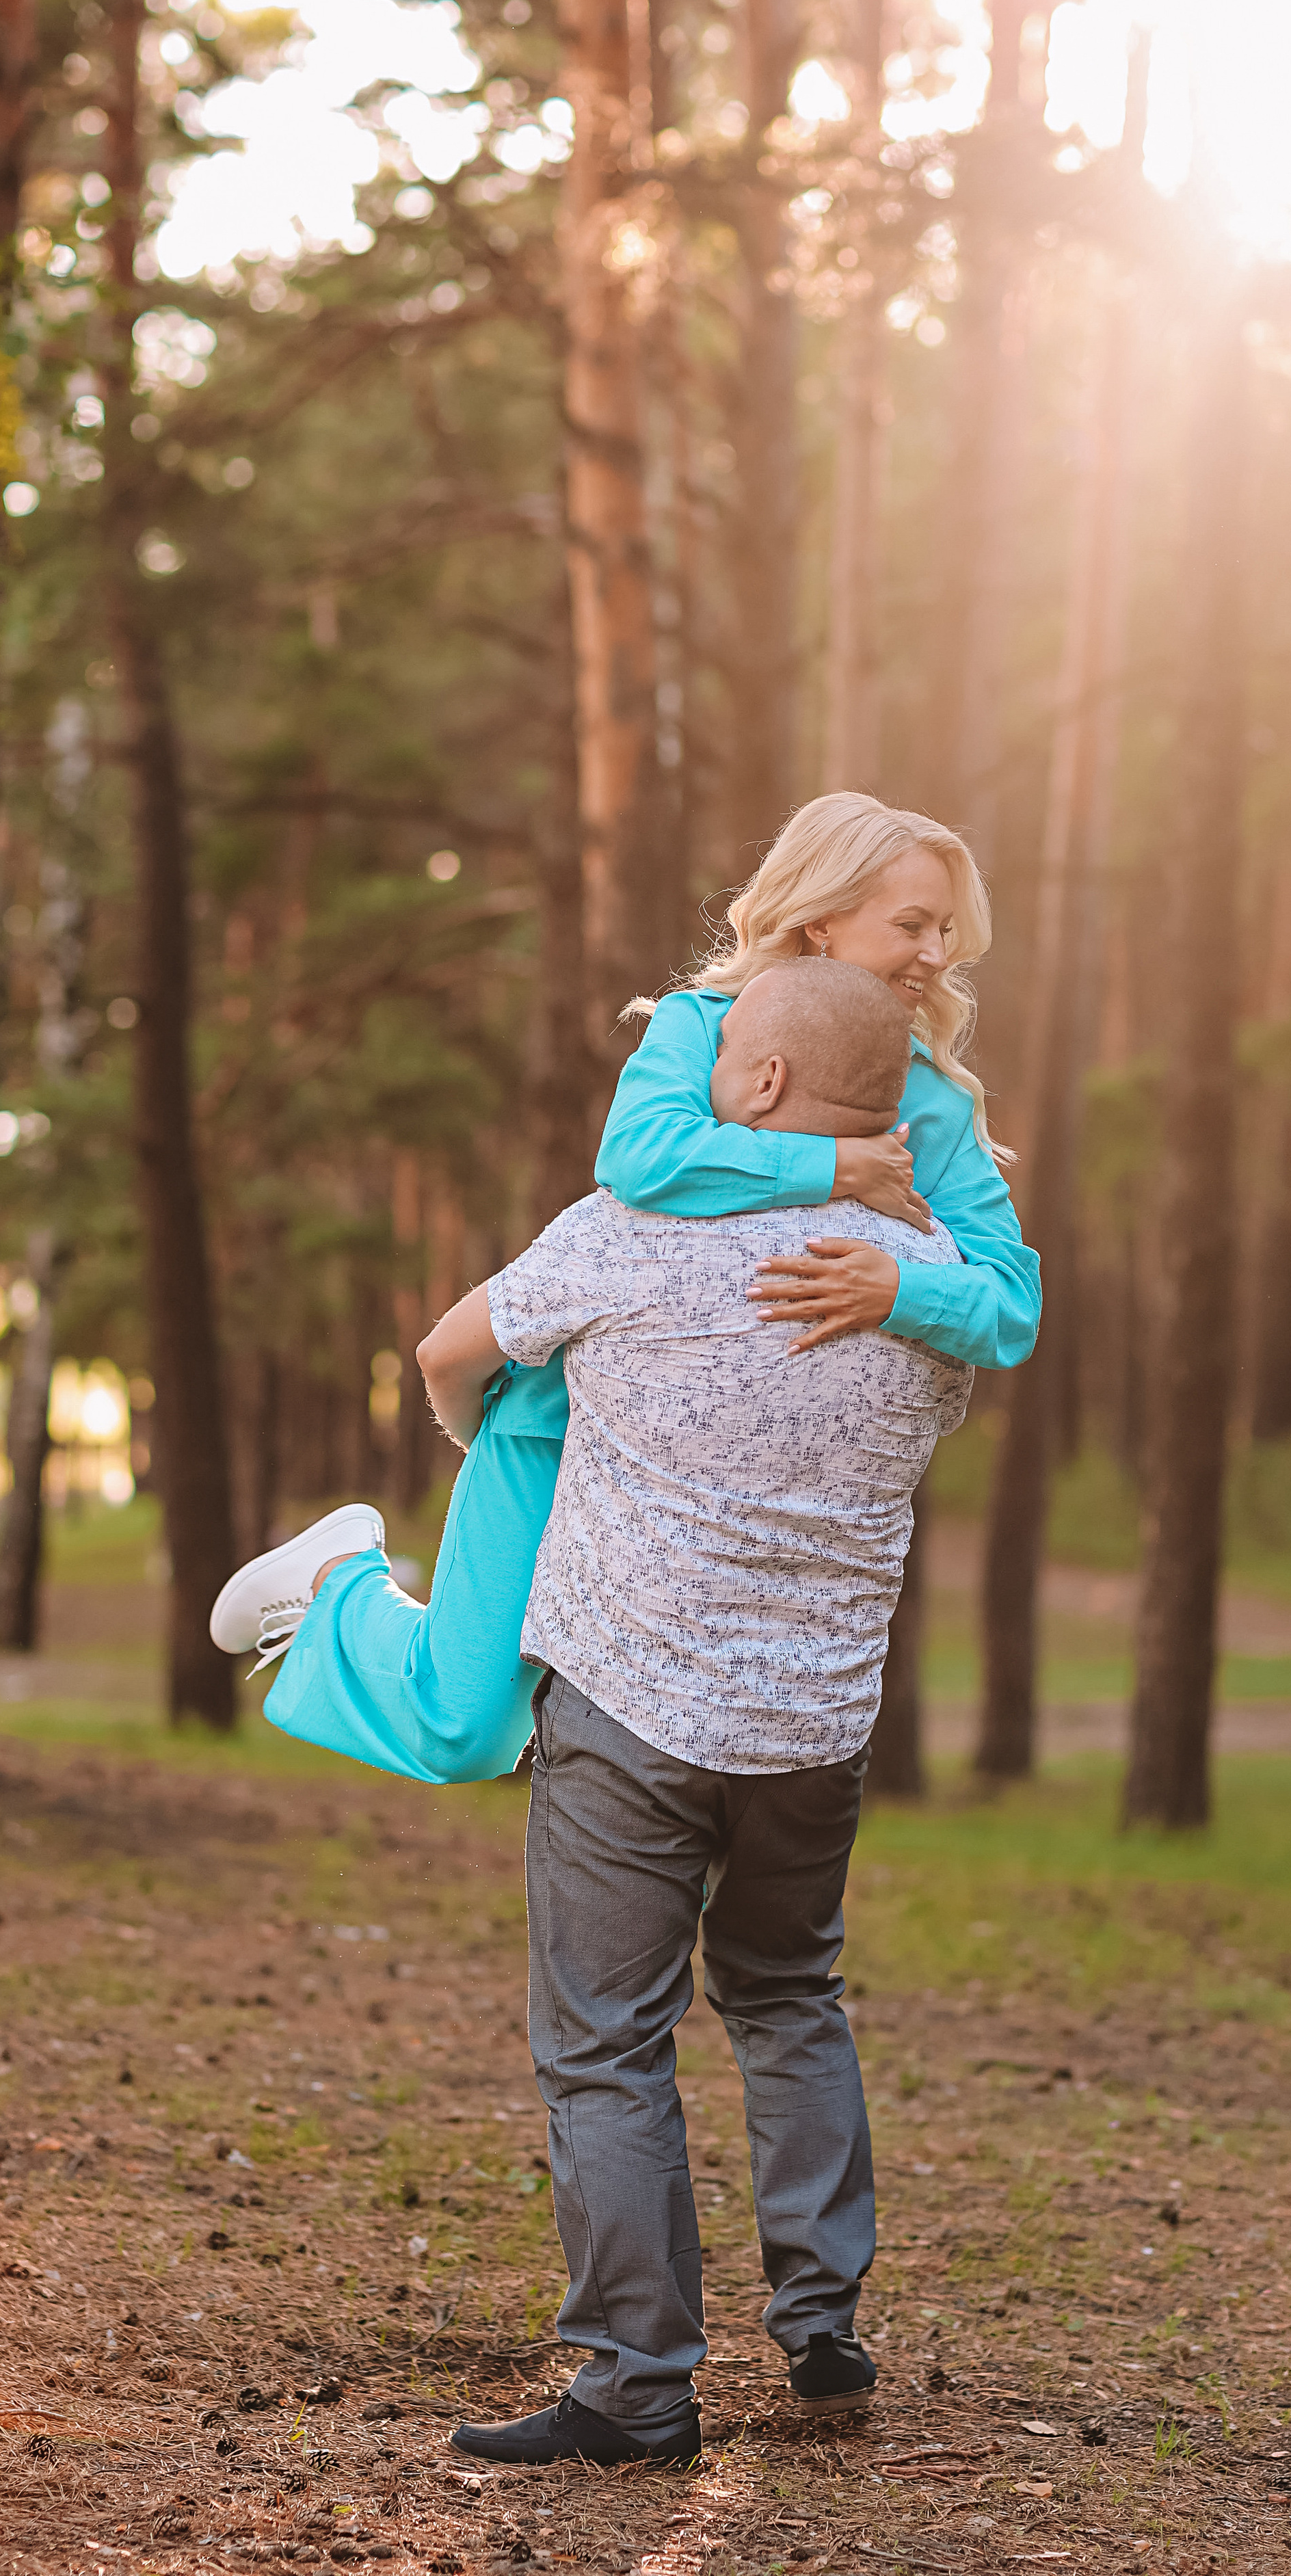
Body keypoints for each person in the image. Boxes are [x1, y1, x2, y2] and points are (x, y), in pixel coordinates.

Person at [415, 959, 972, 2467]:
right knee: (787, 1995)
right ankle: (819, 2320)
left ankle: (635, 2386)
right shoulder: (924, 1286)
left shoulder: (633, 1231)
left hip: (631, 1714)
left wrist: (505, 1450)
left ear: (767, 1084)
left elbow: (448, 1353)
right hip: (813, 1729)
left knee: (606, 2041)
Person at [209, 793, 1039, 1780]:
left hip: (742, 1491)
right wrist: (834, 1170)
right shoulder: (701, 1026)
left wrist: (898, 1288)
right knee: (465, 1727)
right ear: (823, 916)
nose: (938, 955)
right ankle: (341, 1579)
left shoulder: (933, 1101)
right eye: (913, 925)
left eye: (947, 931)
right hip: (564, 1425)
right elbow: (640, 1157)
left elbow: (1011, 1306)